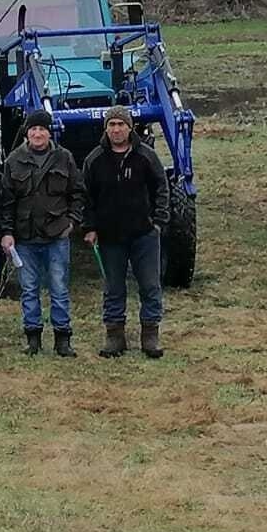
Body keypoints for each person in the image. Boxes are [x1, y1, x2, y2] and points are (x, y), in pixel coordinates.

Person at [81, 105, 169, 359]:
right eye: (112, 125)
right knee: (114, 288)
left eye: (121, 125)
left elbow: (162, 189)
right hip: (110, 238)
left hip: (144, 235)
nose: (116, 129)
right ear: (105, 129)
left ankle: (150, 336)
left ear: (130, 128)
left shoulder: (147, 156)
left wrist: (158, 222)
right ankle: (114, 336)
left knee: (150, 285)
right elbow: (86, 197)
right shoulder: (94, 160)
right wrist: (90, 228)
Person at [0, 108, 85, 357]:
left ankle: (62, 339)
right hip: (25, 238)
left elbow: (77, 193)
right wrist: (7, 232)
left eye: (42, 129)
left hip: (57, 236)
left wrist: (72, 222)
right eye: (33, 129)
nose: (37, 133)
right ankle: (33, 338)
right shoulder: (14, 160)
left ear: (50, 133)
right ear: (27, 133)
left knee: (59, 288)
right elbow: (6, 201)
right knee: (29, 289)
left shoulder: (64, 158)